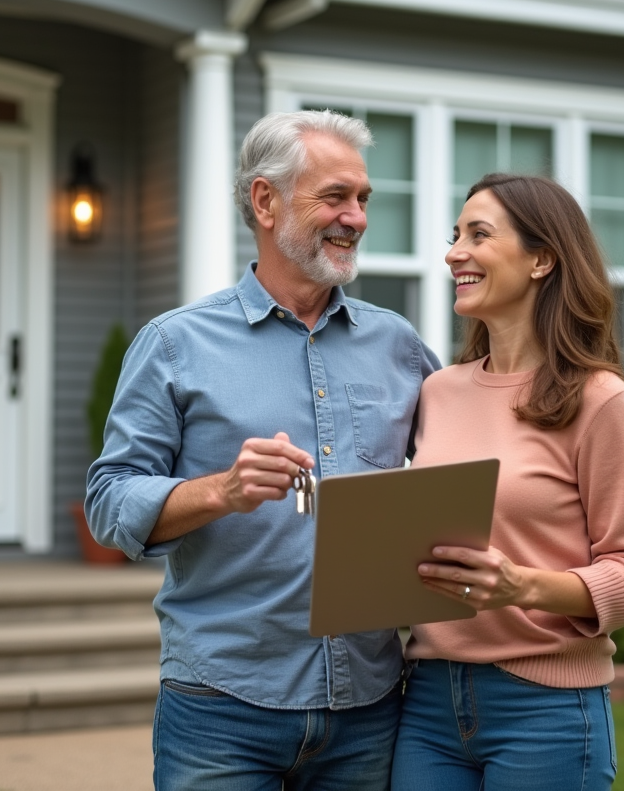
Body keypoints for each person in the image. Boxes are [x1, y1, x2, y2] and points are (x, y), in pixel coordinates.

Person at [86, 110, 440, 791]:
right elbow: (108, 502)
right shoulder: (174, 345)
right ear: (265, 200)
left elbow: (457, 461)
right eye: (335, 197)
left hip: (369, 707)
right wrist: (223, 490)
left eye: (363, 199)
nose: (356, 217)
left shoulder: (397, 345)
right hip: (222, 710)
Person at [390, 173, 624, 791]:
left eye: (478, 235)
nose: (454, 252)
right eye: (454, 235)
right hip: (428, 702)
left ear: (542, 258)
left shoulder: (600, 401)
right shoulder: (438, 391)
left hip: (545, 708)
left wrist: (521, 585)